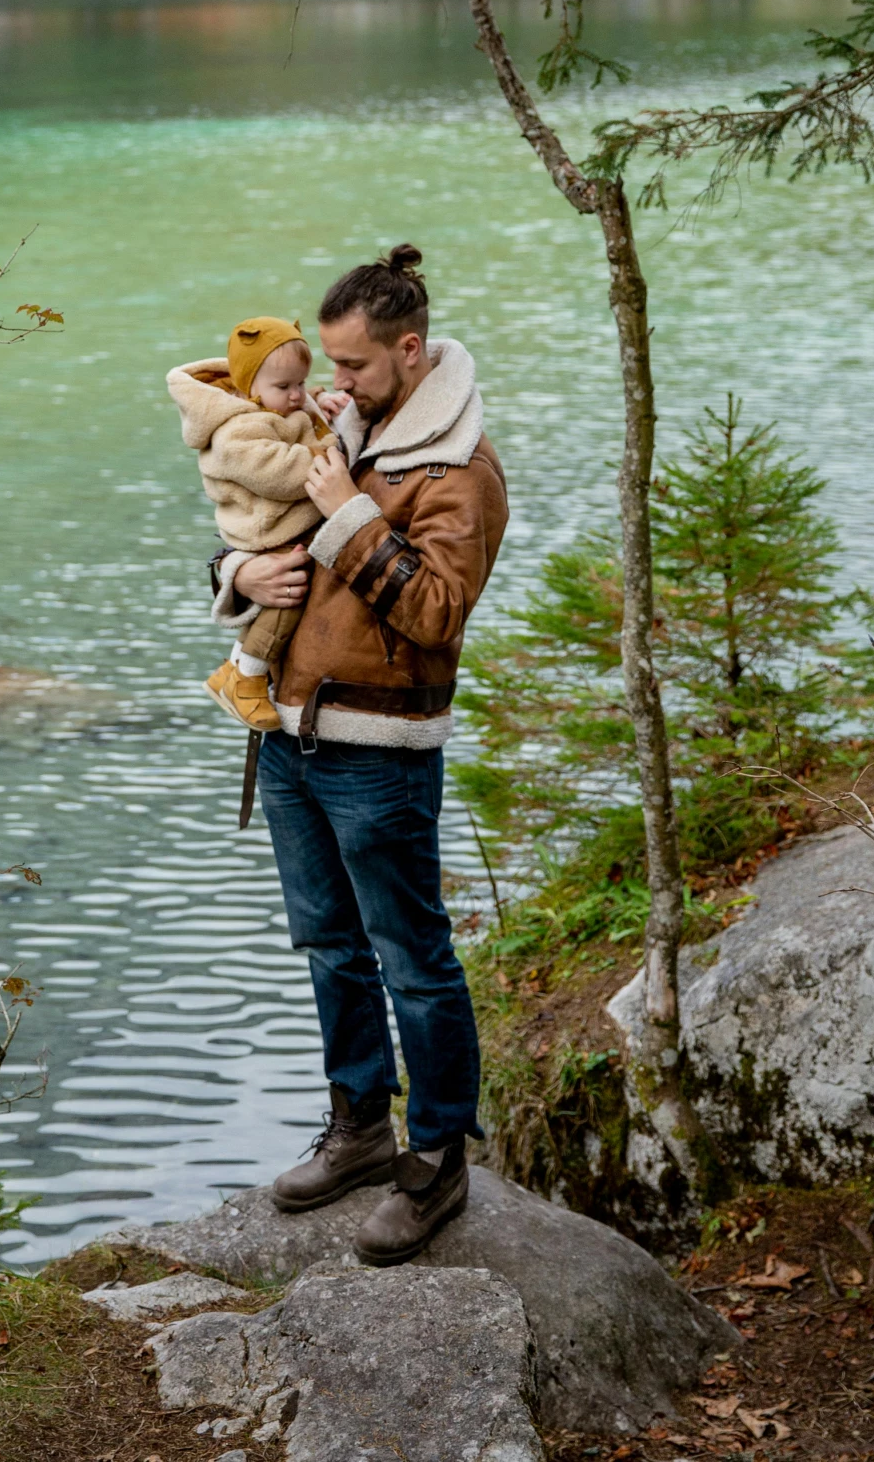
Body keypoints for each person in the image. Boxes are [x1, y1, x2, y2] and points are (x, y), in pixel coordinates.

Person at [210, 245, 508, 1264]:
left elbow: (434, 612)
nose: (333, 385)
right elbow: (256, 530)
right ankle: (359, 1131)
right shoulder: (351, 429)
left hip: (379, 754)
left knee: (413, 961)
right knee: (328, 946)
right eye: (330, 365)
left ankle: (435, 1165)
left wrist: (345, 516)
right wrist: (238, 567)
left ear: (411, 350)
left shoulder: (459, 470)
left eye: (354, 367)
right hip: (290, 739)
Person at [167, 316, 336, 727]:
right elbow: (277, 472)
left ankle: (231, 671)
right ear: (248, 386)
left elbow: (295, 413)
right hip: (268, 529)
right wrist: (326, 458)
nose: (296, 395)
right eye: (285, 387)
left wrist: (318, 399)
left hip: (282, 523)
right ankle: (247, 678)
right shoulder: (238, 431)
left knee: (279, 596)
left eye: (302, 383)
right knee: (286, 599)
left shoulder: (273, 403)